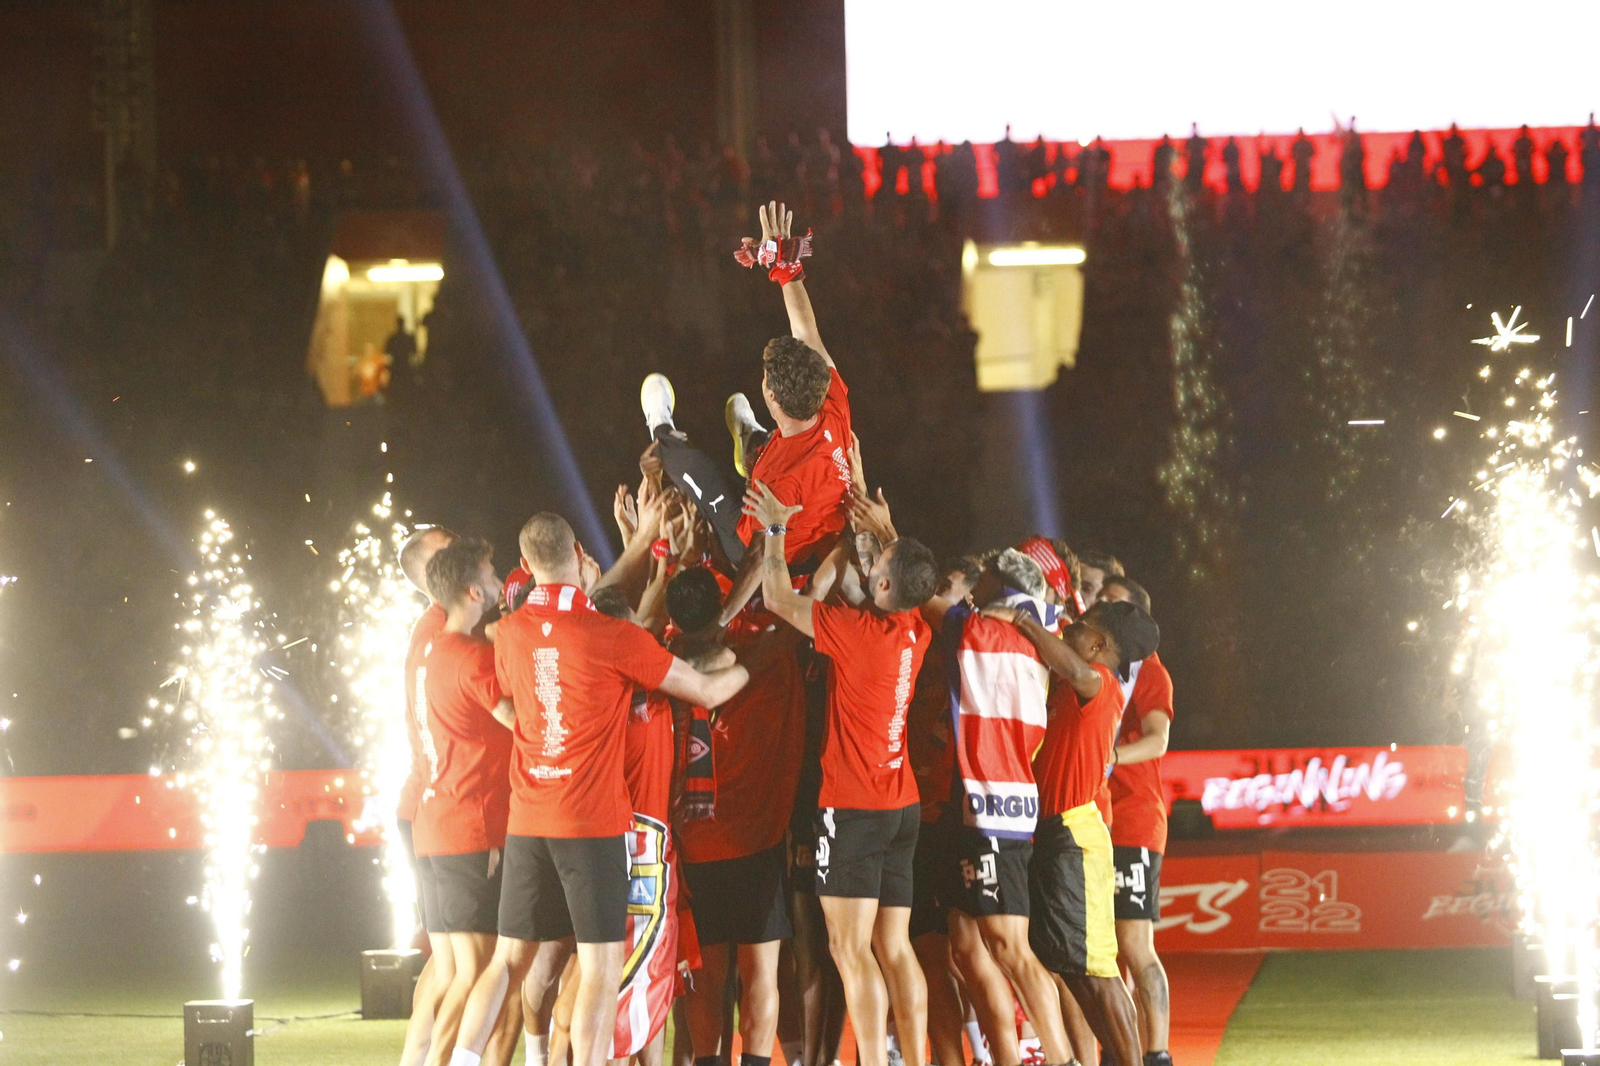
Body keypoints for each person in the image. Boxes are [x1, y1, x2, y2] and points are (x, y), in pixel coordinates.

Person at [446, 513, 751, 1066]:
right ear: (579, 554)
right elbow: (704, 691)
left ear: (527, 562)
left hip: (528, 819)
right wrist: (745, 674)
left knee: (509, 961)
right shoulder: (612, 636)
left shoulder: (508, 632)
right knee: (602, 966)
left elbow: (526, 693)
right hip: (589, 825)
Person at [744, 481, 939, 1066]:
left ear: (882, 585)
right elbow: (909, 574)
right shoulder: (915, 631)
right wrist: (886, 526)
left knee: (850, 951)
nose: (870, 561)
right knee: (895, 947)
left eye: (875, 562)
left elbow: (778, 598)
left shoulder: (855, 635)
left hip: (855, 809)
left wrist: (776, 527)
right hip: (900, 804)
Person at [982, 599, 1159, 1066]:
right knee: (1076, 971)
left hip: (1076, 839)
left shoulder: (1098, 685)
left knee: (1098, 970)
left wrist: (1021, 620)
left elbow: (1079, 670)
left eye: (1080, 629)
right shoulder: (1074, 681)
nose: (1069, 631)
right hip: (1055, 836)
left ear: (1099, 645)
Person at [925, 550, 1073, 1066]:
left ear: (1002, 584)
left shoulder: (979, 629)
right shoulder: (1037, 629)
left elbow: (917, 591)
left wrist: (882, 531)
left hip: (995, 806)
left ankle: (1063, 1059)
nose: (974, 588)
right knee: (967, 944)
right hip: (977, 801)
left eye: (983, 579)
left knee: (1009, 946)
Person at [668, 567, 808, 1066]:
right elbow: (797, 617)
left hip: (694, 842)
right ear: (724, 606)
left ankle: (706, 1060)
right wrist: (775, 534)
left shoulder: (663, 659)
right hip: (760, 836)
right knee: (761, 971)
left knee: (706, 973)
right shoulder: (764, 652)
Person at [415, 538, 519, 1066]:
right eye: (494, 574)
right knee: (477, 968)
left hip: (435, 824)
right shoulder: (471, 656)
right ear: (474, 591)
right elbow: (517, 720)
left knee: (454, 970)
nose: (501, 583)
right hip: (468, 826)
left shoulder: (432, 648)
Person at [1100, 576, 1175, 1066]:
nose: (1098, 609)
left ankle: (1157, 1054)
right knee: (1103, 948)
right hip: (1092, 820)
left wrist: (1106, 757)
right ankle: (1119, 1050)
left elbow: (1159, 739)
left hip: (1132, 819)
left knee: (1133, 943)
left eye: (1111, 605)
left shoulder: (1149, 671)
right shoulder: (1096, 662)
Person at [397, 525, 458, 1066]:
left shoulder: (429, 627)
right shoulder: (445, 633)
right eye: (449, 544)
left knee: (445, 959)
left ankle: (414, 1058)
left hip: (423, 808)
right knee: (461, 962)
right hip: (441, 811)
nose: (461, 545)